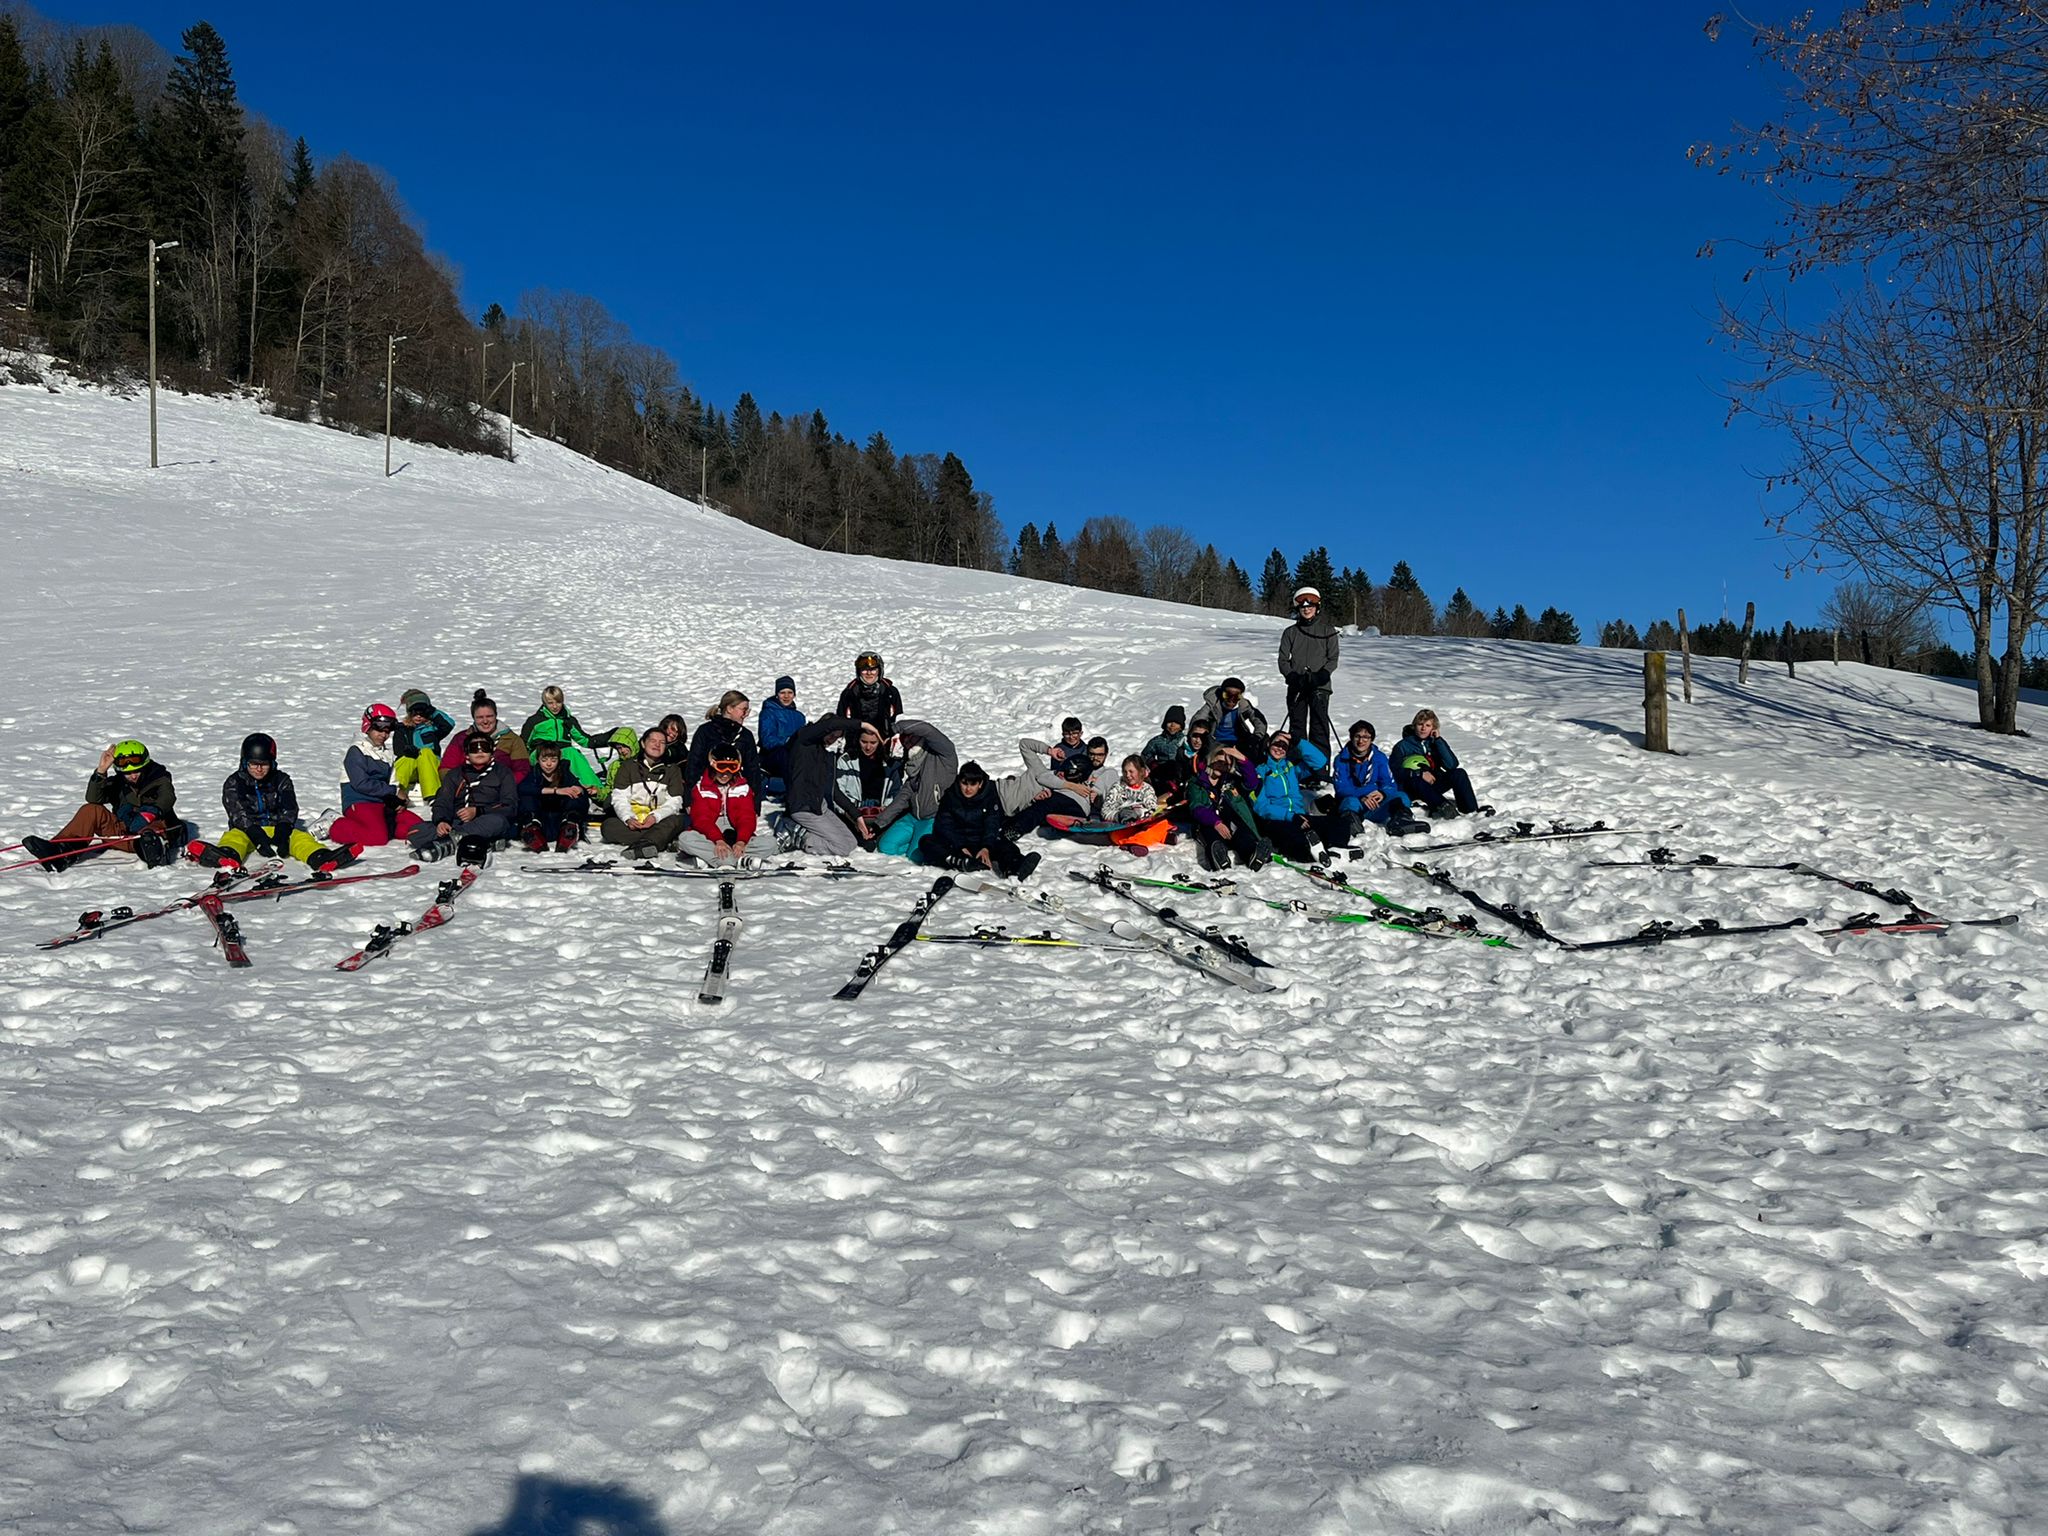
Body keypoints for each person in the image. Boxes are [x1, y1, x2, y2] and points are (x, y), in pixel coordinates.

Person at [191, 733, 357, 872]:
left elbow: (289, 807)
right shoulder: (234, 782)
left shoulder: (281, 780)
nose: (259, 769)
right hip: (248, 829)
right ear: (245, 762)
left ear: (272, 763)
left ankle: (321, 857)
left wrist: (284, 830)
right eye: (254, 764)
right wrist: (254, 832)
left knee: (300, 838)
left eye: (264, 764)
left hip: (277, 828)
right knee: (235, 837)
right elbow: (237, 812)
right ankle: (226, 855)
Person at [21, 738, 185, 872]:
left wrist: (148, 814)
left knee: (151, 830)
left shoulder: (160, 778)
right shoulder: (117, 784)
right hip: (122, 834)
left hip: (152, 831)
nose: (133, 776)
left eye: (136, 771)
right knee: (91, 809)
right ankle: (60, 851)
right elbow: (93, 798)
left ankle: (154, 851)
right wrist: (101, 771)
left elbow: (167, 797)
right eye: (127, 773)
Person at [408, 729, 520, 863]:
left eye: (485, 748)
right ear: (467, 754)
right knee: (415, 832)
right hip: (457, 822)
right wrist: (441, 821)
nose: (480, 752)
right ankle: (482, 842)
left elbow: (509, 805)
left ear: (491, 752)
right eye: (474, 748)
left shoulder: (503, 773)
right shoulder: (454, 775)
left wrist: (478, 811)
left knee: (498, 822)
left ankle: (449, 843)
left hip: (487, 820)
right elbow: (443, 801)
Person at [919, 763, 1041, 879]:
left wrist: (986, 847)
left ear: (980, 784)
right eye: (964, 783)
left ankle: (1014, 868)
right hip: (957, 843)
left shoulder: (990, 795)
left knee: (1006, 846)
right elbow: (945, 825)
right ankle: (961, 862)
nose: (968, 789)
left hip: (981, 841)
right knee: (926, 841)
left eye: (973, 784)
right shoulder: (950, 796)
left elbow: (992, 823)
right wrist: (961, 846)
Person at [330, 703, 424, 847]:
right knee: (377, 837)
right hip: (360, 801)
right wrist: (393, 792)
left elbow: (393, 781)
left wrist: (396, 801)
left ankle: (384, 828)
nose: (383, 735)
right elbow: (361, 783)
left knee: (417, 826)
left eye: (387, 731)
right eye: (379, 729)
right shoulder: (357, 751)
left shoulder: (386, 754)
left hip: (381, 803)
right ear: (367, 726)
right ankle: (336, 826)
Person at [1249, 728, 1346, 861]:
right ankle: (1313, 852)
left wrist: (1298, 741)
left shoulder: (1291, 768)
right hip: (1276, 820)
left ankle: (1333, 849)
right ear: (1268, 744)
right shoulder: (1259, 771)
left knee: (1340, 824)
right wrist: (1290, 817)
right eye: (1277, 744)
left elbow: (1319, 762)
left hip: (1300, 816)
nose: (1280, 748)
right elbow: (1261, 807)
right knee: (1295, 838)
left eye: (1284, 746)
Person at [873, 718, 958, 859]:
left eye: (911, 736)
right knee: (885, 847)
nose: (908, 741)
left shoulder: (944, 754)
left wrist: (895, 728)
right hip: (913, 818)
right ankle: (913, 844)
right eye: (904, 739)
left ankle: (930, 848)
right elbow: (903, 797)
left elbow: (928, 729)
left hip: (933, 818)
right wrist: (879, 823)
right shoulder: (913, 765)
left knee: (916, 857)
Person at [1330, 720, 1429, 837]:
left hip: (1376, 804)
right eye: (1357, 736)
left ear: (1371, 739)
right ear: (1351, 737)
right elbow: (1341, 788)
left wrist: (1383, 793)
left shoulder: (1379, 757)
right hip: (1355, 804)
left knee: (1401, 797)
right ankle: (1352, 826)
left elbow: (1390, 784)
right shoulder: (1341, 759)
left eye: (1366, 737)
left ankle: (1401, 822)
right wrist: (1363, 796)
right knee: (1350, 801)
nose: (1361, 741)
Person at [1277, 585, 1340, 764]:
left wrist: (1322, 675)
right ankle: (1297, 768)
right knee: (1297, 727)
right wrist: (1292, 676)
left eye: (1310, 606)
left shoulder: (1328, 631)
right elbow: (1283, 659)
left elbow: (1333, 658)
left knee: (1319, 727)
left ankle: (1319, 768)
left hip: (1319, 687)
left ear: (1317, 608)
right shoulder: (1290, 632)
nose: (1306, 610)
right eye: (1303, 607)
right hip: (1297, 686)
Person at [600, 727, 686, 855]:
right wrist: (628, 818)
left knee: (678, 821)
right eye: (653, 741)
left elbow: (675, 801)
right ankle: (658, 840)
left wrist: (655, 817)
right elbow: (619, 797)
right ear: (643, 743)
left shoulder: (672, 770)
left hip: (659, 820)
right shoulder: (628, 766)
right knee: (608, 826)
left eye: (662, 742)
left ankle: (646, 843)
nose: (657, 745)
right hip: (634, 821)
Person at [1187, 747, 1268, 871]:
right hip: (1210, 823)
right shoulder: (1197, 782)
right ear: (1210, 760)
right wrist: (1216, 822)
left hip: (1230, 822)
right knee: (1211, 835)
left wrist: (1242, 759)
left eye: (1226, 764)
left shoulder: (1230, 780)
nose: (1222, 766)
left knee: (1242, 835)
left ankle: (1253, 855)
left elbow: (1252, 783)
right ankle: (1219, 860)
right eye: (1219, 762)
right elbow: (1197, 808)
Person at [994, 737, 1093, 836]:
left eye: (1068, 774)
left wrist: (1033, 800)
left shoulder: (1056, 792)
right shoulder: (1040, 770)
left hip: (1000, 811)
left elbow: (1041, 808)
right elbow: (1024, 744)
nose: (1062, 773)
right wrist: (1049, 751)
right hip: (995, 790)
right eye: (1063, 768)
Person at [678, 747, 758, 866]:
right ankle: (736, 860)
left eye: (731, 768)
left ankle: (712, 859)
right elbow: (701, 819)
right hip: (710, 832)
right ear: (712, 766)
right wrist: (718, 840)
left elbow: (746, 817)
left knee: (770, 843)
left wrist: (741, 841)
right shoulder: (701, 788)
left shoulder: (743, 788)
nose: (725, 773)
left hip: (734, 832)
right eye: (721, 767)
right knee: (685, 838)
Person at [1394, 709, 1483, 816]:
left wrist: (1438, 741)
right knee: (1417, 781)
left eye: (1428, 725)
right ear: (1414, 726)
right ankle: (1443, 806)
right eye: (1420, 724)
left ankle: (1471, 810)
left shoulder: (1434, 742)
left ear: (1433, 728)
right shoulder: (1402, 746)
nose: (1423, 728)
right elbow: (1395, 770)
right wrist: (1419, 774)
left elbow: (1452, 765)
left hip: (1433, 783)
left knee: (1459, 773)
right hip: (1413, 787)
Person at [686, 690, 763, 795]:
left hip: (737, 793)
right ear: (729, 709)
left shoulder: (745, 735)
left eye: (747, 711)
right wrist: (690, 796)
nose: (746, 715)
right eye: (744, 710)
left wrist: (755, 800)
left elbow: (753, 770)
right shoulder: (705, 731)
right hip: (707, 792)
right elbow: (694, 765)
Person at [519, 738, 590, 852]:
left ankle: (570, 828)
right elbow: (522, 788)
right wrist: (554, 791)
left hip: (560, 820)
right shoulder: (534, 774)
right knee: (527, 796)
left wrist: (579, 789)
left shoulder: (564, 772)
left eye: (553, 760)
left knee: (575, 795)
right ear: (538, 760)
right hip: (540, 821)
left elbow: (578, 790)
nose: (549, 764)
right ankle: (531, 831)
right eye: (544, 760)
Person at [441, 689, 526, 784]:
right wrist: (462, 784)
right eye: (480, 717)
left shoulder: (512, 740)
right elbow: (446, 768)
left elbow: (523, 770)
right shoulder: (461, 739)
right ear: (473, 718)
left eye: (489, 716)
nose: (485, 721)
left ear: (496, 715)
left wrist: (502, 785)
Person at [393, 689, 450, 808]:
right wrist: (407, 750)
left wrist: (432, 711)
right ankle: (396, 790)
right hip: (411, 769)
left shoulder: (432, 729)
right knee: (406, 759)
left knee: (425, 752)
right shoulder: (402, 729)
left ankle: (432, 795)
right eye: (415, 712)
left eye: (422, 713)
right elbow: (397, 749)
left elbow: (449, 724)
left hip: (430, 767)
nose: (418, 716)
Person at [1190, 677, 1270, 758]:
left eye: (1236, 696)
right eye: (1227, 695)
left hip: (1238, 741)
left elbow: (1259, 720)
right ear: (1222, 694)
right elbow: (1199, 718)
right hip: (1215, 740)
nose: (1231, 699)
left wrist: (1256, 737)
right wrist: (1197, 734)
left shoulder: (1243, 705)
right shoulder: (1214, 704)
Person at [758, 677, 805, 793]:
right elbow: (767, 740)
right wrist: (788, 741)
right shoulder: (768, 713)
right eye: (782, 693)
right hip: (773, 755)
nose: (786, 696)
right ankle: (793, 792)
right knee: (785, 754)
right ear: (777, 694)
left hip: (794, 754)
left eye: (790, 692)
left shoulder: (799, 717)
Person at [837, 651, 902, 734]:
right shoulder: (849, 693)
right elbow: (840, 721)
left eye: (873, 670)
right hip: (856, 738)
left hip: (885, 737)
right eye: (864, 670)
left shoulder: (890, 691)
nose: (869, 673)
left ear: (880, 671)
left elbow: (898, 718)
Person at [520, 685, 593, 752]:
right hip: (541, 751)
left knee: (572, 753)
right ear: (544, 703)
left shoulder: (568, 720)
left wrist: (598, 740)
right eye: (550, 703)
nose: (555, 706)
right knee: (547, 753)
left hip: (562, 751)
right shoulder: (534, 721)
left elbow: (582, 739)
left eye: (558, 702)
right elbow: (523, 743)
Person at [1142, 705, 1193, 796]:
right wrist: (1153, 764)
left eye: (1176, 723)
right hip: (1161, 773)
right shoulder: (1158, 740)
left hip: (1180, 773)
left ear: (1181, 726)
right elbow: (1146, 754)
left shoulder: (1184, 740)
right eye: (1170, 722)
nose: (1172, 725)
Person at [1100, 756, 1159, 823]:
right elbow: (1105, 811)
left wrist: (1139, 812)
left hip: (1143, 822)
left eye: (1131, 771)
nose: (1127, 775)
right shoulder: (1117, 788)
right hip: (1121, 824)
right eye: (1125, 772)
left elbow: (1153, 808)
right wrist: (1118, 815)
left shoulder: (1147, 789)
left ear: (1141, 771)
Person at [1048, 717, 1092, 784]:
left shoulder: (1087, 749)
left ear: (1081, 733)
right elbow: (1055, 771)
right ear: (1063, 734)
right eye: (1067, 734)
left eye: (1074, 733)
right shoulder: (1058, 749)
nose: (1071, 737)